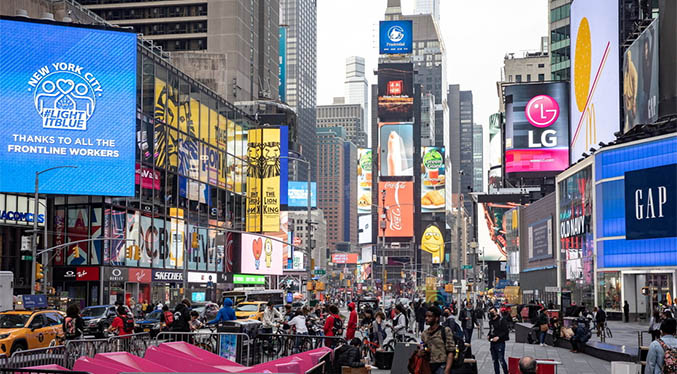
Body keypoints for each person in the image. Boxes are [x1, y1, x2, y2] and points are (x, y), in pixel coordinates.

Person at [421, 306, 455, 374]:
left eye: (430, 316)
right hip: (428, 367)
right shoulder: (424, 333)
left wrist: (447, 370)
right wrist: (421, 351)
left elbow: (451, 351)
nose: (426, 318)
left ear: (436, 318)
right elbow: (423, 347)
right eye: (426, 316)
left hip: (441, 366)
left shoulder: (445, 331)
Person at [488, 307, 509, 374]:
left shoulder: (501, 320)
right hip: (492, 343)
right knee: (494, 360)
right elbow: (491, 330)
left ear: (496, 312)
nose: (491, 313)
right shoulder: (490, 321)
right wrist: (489, 335)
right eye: (490, 312)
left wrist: (498, 337)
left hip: (500, 343)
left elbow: (505, 331)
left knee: (501, 360)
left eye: (493, 312)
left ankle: (506, 372)